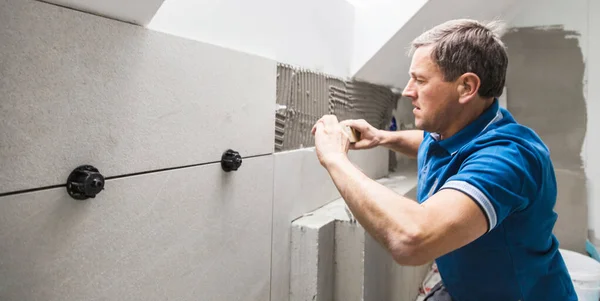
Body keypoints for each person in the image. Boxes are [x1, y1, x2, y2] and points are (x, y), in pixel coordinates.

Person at [311, 19, 577, 301]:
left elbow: (412, 239)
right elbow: (427, 143)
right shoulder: (454, 129)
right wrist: (383, 137)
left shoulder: (507, 159)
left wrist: (334, 158)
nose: (407, 90)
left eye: (420, 80)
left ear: (466, 87)